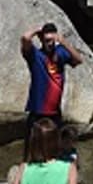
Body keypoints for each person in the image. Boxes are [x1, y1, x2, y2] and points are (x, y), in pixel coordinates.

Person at [21, 22, 82, 156]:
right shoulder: (35, 56)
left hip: (54, 112)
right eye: (47, 40)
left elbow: (78, 60)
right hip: (38, 110)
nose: (50, 43)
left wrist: (63, 41)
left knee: (54, 150)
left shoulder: (60, 53)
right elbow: (25, 38)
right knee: (31, 149)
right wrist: (38, 30)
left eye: (52, 40)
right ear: (41, 39)